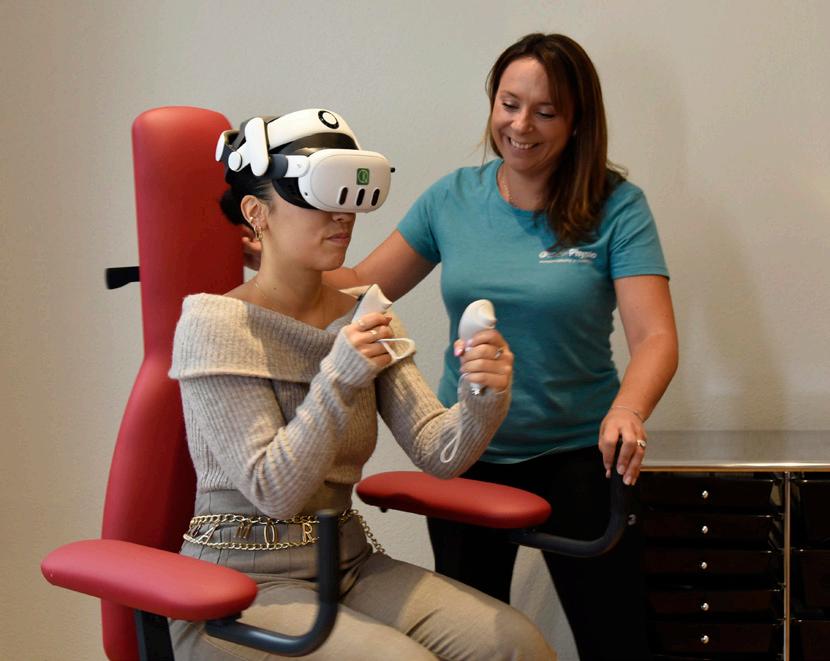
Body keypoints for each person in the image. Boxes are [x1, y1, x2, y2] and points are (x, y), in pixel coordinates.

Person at [297, 34, 676, 660]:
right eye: (509, 104)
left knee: (617, 638)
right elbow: (360, 285)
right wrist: (274, 255)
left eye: (546, 112)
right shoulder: (453, 198)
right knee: (473, 642)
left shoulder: (617, 207)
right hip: (468, 449)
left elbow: (655, 336)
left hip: (580, 453)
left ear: (577, 121)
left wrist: (628, 411)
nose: (521, 126)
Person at [167, 109, 556, 660]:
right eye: (318, 197)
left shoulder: (366, 313)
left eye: (347, 197)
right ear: (256, 213)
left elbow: (439, 452)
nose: (341, 216)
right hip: (238, 583)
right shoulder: (217, 324)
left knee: (517, 646)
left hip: (347, 564)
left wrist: (482, 394)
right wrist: (338, 378)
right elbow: (273, 492)